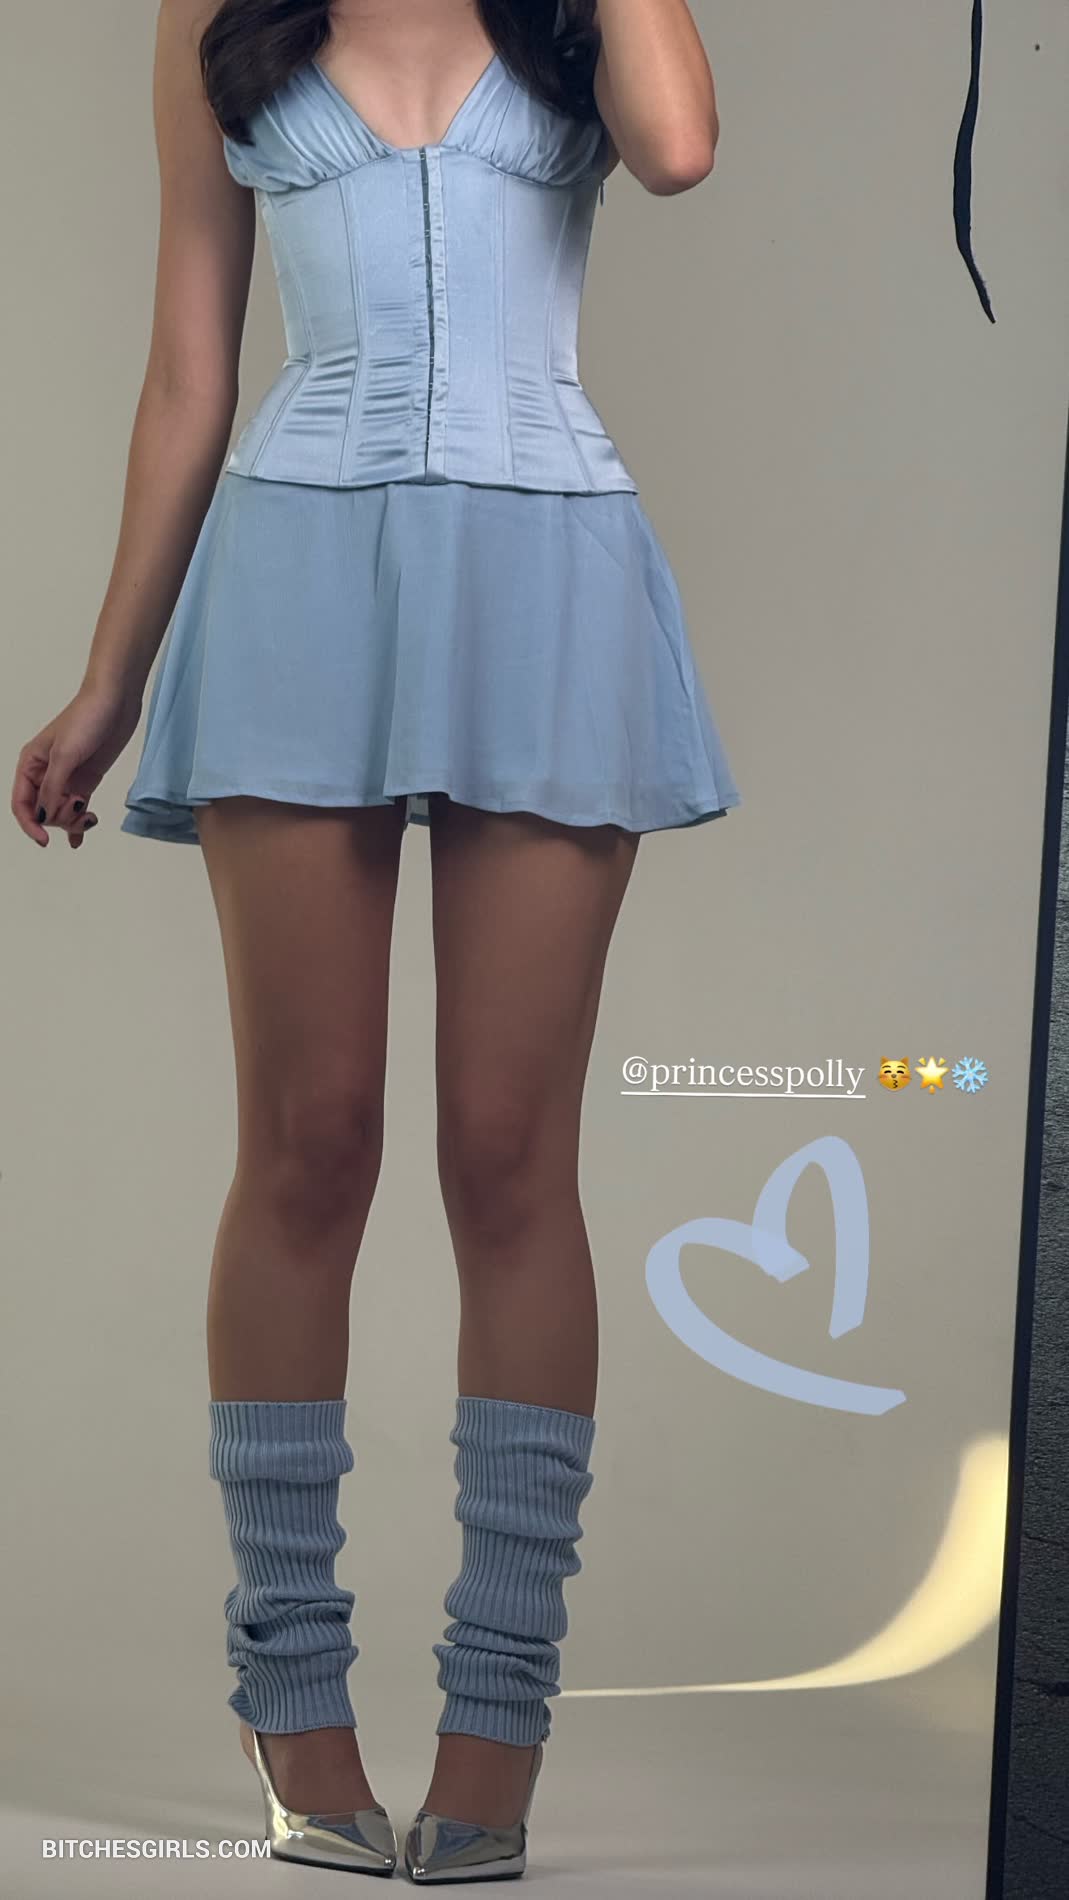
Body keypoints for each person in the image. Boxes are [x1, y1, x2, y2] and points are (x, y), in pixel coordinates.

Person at [10, 0, 739, 1882]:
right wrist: (110, 680)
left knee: (508, 1157)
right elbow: (189, 371)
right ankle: (292, 1696)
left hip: (547, 569)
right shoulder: (215, 15)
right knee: (308, 1146)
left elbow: (676, 149)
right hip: (293, 573)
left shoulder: (571, 16)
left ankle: (497, 1723)